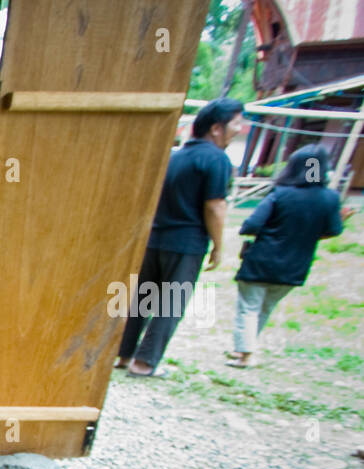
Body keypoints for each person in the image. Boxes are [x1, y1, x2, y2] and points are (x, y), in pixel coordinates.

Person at [116, 97, 245, 376]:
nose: (240, 128)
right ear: (216, 128)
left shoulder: (175, 156)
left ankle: (123, 355)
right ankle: (144, 363)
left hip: (154, 239)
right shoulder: (216, 159)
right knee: (170, 305)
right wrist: (219, 246)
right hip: (186, 244)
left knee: (142, 300)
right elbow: (215, 205)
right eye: (236, 123)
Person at [225, 144, 352, 368]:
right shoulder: (329, 199)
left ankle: (245, 352)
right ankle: (245, 349)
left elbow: (251, 225)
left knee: (249, 307)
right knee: (264, 308)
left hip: (262, 260)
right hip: (295, 265)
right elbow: (333, 230)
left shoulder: (281, 194)